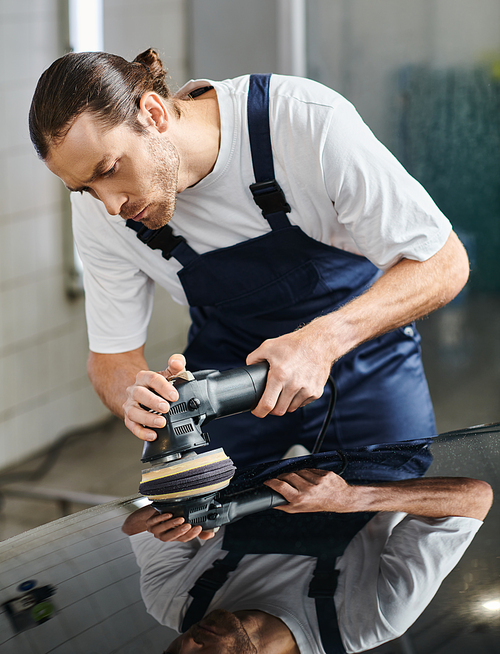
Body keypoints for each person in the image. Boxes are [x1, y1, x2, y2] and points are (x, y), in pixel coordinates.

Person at [28, 50, 470, 467]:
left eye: (108, 170)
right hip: (228, 378)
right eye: (84, 188)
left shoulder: (303, 120)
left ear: (154, 115)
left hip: (361, 355)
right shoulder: (100, 210)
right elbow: (111, 357)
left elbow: (444, 261)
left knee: (394, 515)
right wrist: (132, 394)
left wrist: (322, 341)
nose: (108, 205)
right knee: (204, 530)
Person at [122, 468, 493, 653]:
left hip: (251, 436)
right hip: (374, 439)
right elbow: (472, 498)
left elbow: (136, 523)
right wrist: (351, 499)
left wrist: (176, 521)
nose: (186, 643)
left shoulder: (171, 602)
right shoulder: (370, 618)